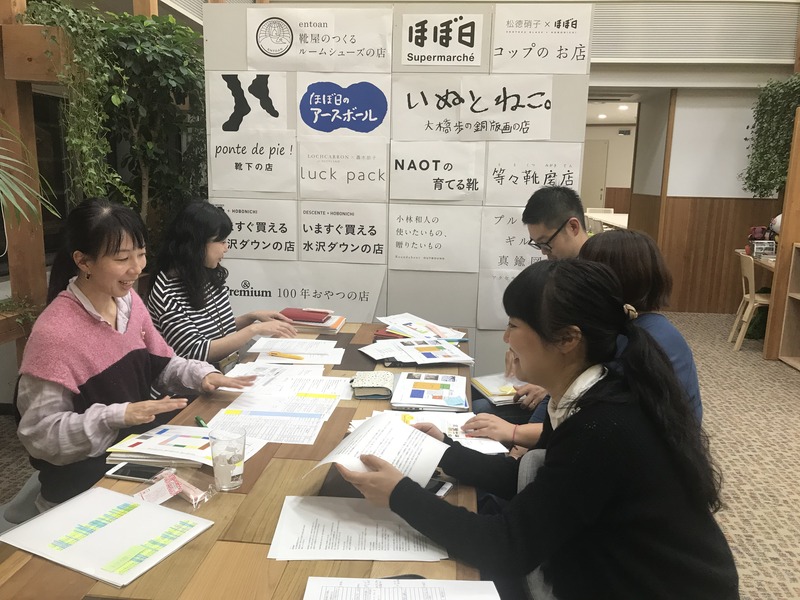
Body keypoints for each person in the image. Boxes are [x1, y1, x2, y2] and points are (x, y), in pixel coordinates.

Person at [337, 260, 739, 600]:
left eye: (514, 325)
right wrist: (443, 450)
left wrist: (399, 495)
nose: (506, 338)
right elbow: (545, 481)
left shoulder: (603, 425)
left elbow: (507, 546)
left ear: (567, 339)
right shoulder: (588, 394)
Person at [15, 199, 255, 511]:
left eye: (141, 254)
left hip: (133, 459)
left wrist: (202, 375)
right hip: (84, 486)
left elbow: (162, 363)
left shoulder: (128, 303)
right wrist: (118, 415)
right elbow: (41, 436)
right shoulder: (55, 333)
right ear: (83, 261)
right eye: (122, 258)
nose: (137, 268)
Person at [466, 229, 703, 447]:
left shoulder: (640, 342)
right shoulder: (623, 326)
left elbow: (592, 424)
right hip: (590, 427)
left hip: (628, 448)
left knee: (481, 413)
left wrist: (516, 438)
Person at [473, 186, 589, 426]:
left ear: (573, 227)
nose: (545, 254)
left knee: (479, 410)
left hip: (567, 389)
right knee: (472, 394)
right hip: (556, 383)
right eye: (539, 246)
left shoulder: (592, 280)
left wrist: (549, 384)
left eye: (547, 244)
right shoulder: (566, 271)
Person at [148, 201, 296, 367]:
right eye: (221, 241)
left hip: (227, 368)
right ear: (197, 244)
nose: (226, 248)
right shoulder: (166, 292)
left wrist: (251, 317)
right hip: (196, 380)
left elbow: (218, 330)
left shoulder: (206, 274)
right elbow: (196, 352)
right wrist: (254, 330)